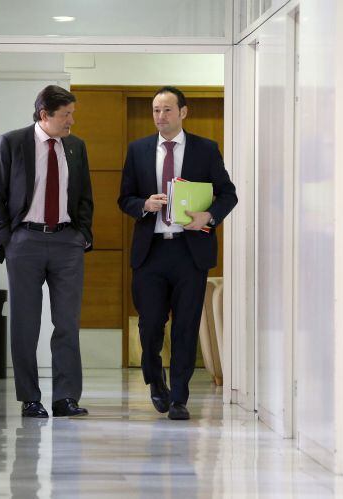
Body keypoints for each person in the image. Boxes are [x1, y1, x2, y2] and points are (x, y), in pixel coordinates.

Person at [118, 86, 237, 420]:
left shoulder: (205, 149)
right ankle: (156, 381)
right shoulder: (139, 150)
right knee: (151, 324)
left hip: (190, 252)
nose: (161, 116)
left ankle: (180, 397)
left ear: (183, 112)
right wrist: (144, 204)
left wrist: (209, 216)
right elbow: (124, 197)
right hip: (151, 252)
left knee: (186, 325)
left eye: (167, 109)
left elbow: (228, 195)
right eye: (156, 110)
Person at [0, 85, 94, 418]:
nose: (71, 121)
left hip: (67, 244)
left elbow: (85, 196)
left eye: (72, 114)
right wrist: (7, 239)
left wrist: (82, 235)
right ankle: (30, 398)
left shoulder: (75, 146)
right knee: (25, 324)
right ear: (44, 115)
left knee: (66, 323)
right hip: (25, 243)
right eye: (66, 115)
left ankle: (65, 398)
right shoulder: (12, 142)